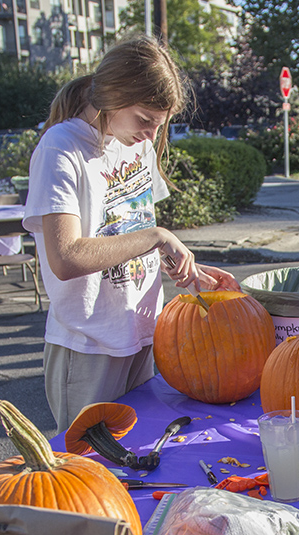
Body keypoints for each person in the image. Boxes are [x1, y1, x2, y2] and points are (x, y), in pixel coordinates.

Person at [23, 36, 240, 432]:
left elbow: (129, 230)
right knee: (88, 473)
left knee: (133, 466)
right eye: (144, 120)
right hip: (89, 343)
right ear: (112, 95)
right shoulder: (62, 148)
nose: (150, 136)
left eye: (159, 126)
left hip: (141, 335)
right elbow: (66, 257)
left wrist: (185, 269)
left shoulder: (134, 143)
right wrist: (157, 237)